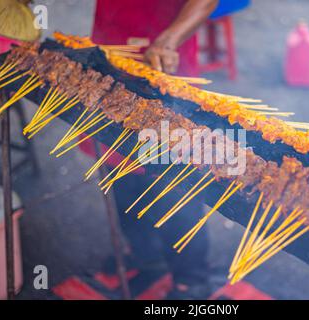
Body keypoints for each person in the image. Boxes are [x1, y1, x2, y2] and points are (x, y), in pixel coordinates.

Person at [91, 0, 219, 299]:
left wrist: (168, 39)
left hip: (166, 58)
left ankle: (191, 277)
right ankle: (146, 256)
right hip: (110, 50)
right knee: (119, 164)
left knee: (173, 180)